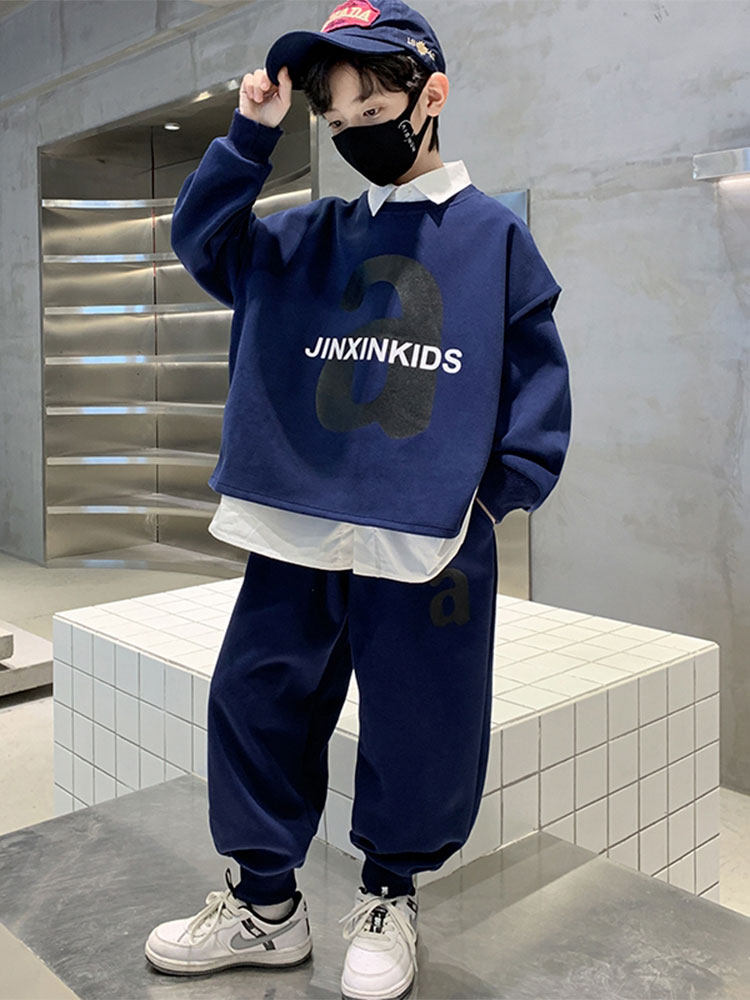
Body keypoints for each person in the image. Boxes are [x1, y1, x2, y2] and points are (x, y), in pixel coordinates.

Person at [143, 2, 572, 998]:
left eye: (374, 110)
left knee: (423, 718)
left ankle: (389, 896)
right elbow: (206, 243)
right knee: (256, 701)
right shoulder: (307, 236)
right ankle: (265, 908)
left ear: (432, 97)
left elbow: (538, 391)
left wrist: (485, 503)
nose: (354, 132)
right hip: (296, 522)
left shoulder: (494, 239)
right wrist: (252, 134)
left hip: (429, 537)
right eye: (337, 120)